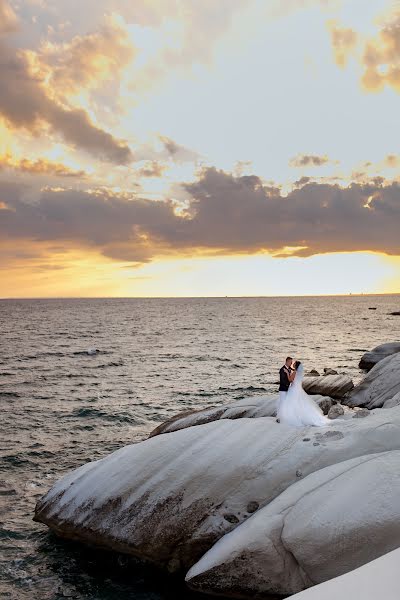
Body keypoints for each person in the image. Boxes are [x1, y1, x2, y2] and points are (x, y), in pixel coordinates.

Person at [277, 360, 331, 427]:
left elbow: (290, 380)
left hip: (294, 388)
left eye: (294, 364)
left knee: (292, 403)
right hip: (298, 388)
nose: (293, 364)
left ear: (296, 366)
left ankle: (292, 416)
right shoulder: (299, 373)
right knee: (299, 403)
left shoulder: (295, 372)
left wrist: (287, 373)